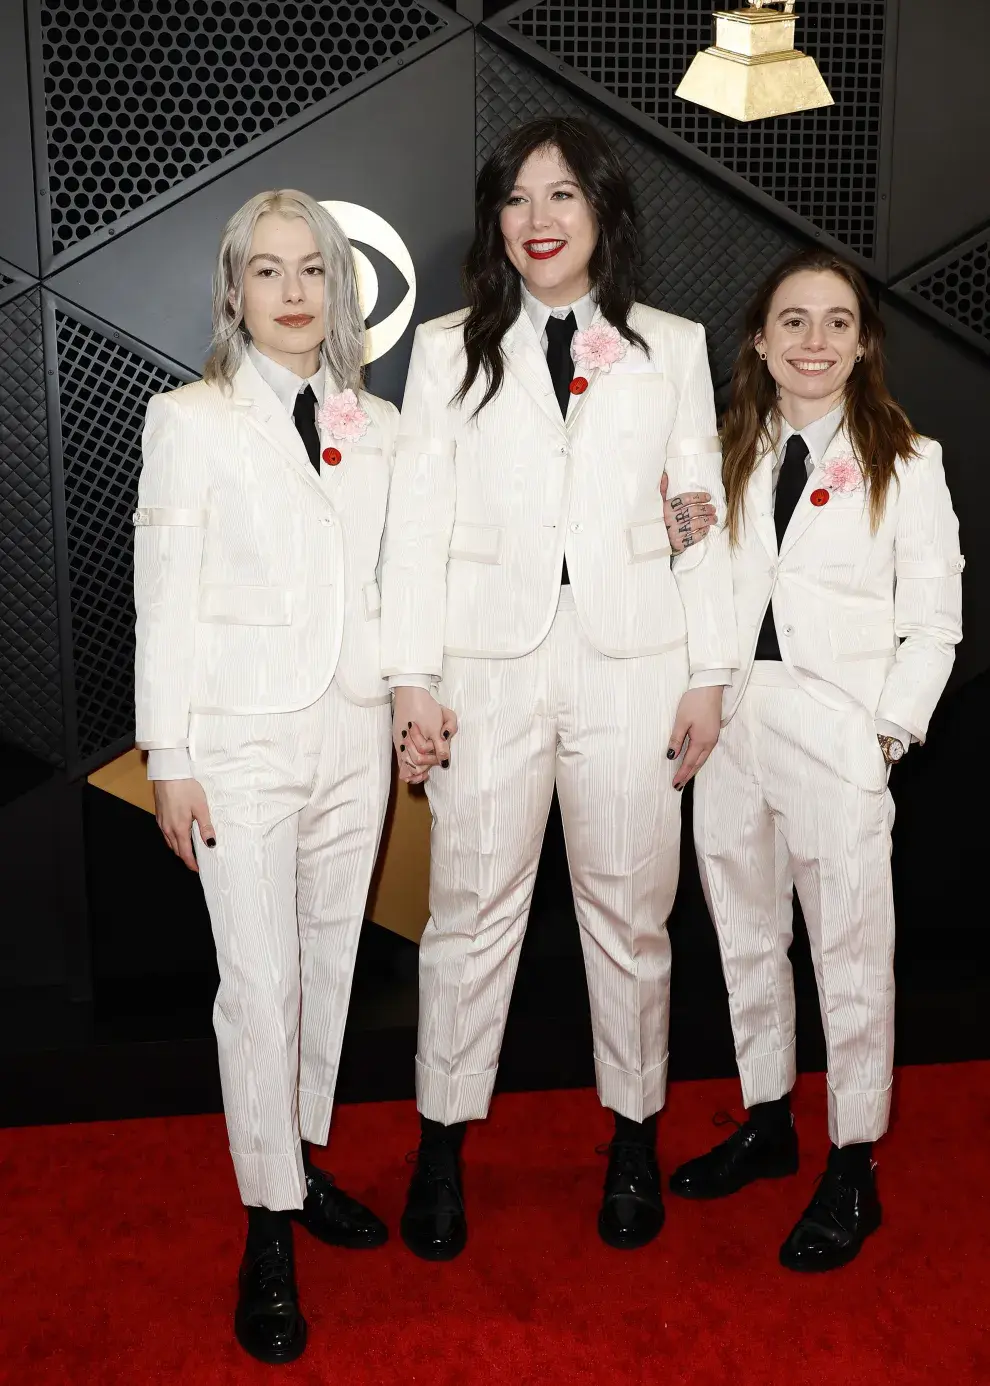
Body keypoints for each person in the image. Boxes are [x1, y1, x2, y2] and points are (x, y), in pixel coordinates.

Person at [380, 116, 738, 1260]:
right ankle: (442, 1139)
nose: (539, 221)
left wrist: (711, 671)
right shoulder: (446, 350)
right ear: (498, 220)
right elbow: (417, 523)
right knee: (468, 914)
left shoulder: (671, 347)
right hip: (486, 665)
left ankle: (632, 1132)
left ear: (603, 216)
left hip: (636, 664)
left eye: (563, 198)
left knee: (633, 916)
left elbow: (697, 516)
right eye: (519, 200)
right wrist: (411, 677)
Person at [133, 190, 406, 1362]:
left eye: (313, 271)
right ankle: (268, 1234)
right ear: (233, 292)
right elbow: (166, 598)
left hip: (353, 738)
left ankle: (294, 1167)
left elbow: (392, 586)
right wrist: (172, 756)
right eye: (268, 272)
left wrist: (407, 697)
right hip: (238, 741)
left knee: (328, 969)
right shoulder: (188, 419)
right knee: (258, 986)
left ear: (338, 291)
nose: (294, 292)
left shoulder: (376, 423)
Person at [666, 247, 964, 1270]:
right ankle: (767, 1119)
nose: (815, 342)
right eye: (793, 320)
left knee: (850, 958)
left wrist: (879, 737)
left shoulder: (908, 463)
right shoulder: (721, 457)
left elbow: (936, 628)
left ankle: (853, 1161)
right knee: (745, 937)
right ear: (758, 338)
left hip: (836, 734)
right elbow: (695, 589)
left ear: (866, 342)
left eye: (838, 323)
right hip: (729, 728)